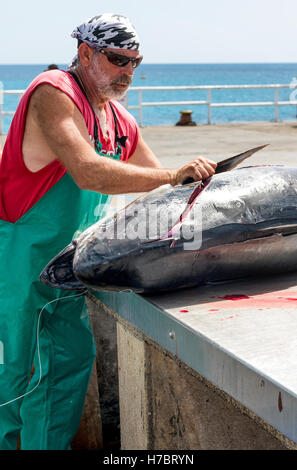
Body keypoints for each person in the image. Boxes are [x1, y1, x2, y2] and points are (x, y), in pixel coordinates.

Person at [0, 14, 217, 450]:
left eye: (136, 63)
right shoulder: (53, 93)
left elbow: (158, 183)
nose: (128, 72)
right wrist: (175, 175)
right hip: (26, 261)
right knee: (24, 378)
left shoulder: (117, 118)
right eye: (119, 59)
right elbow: (88, 171)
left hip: (71, 265)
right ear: (85, 53)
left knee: (66, 369)